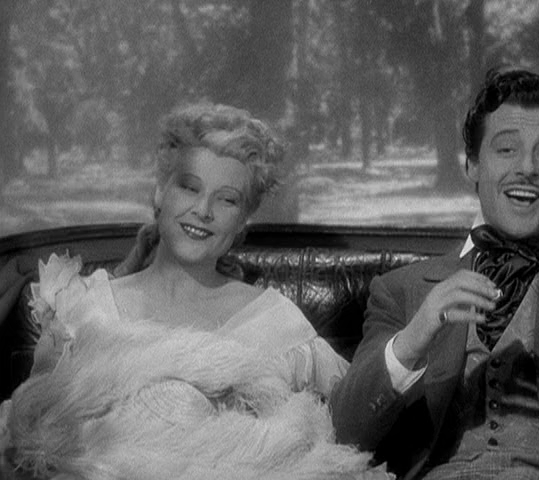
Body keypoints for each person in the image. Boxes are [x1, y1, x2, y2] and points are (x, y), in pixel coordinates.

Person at [0, 102, 390, 480]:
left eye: (227, 200)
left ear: (243, 221)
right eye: (189, 188)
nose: (203, 210)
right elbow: (33, 441)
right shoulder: (85, 309)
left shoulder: (277, 323)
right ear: (159, 193)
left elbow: (352, 418)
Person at [330, 68, 539, 480]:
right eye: (506, 149)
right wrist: (413, 338)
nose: (527, 168)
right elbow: (345, 431)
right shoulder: (398, 289)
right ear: (473, 165)